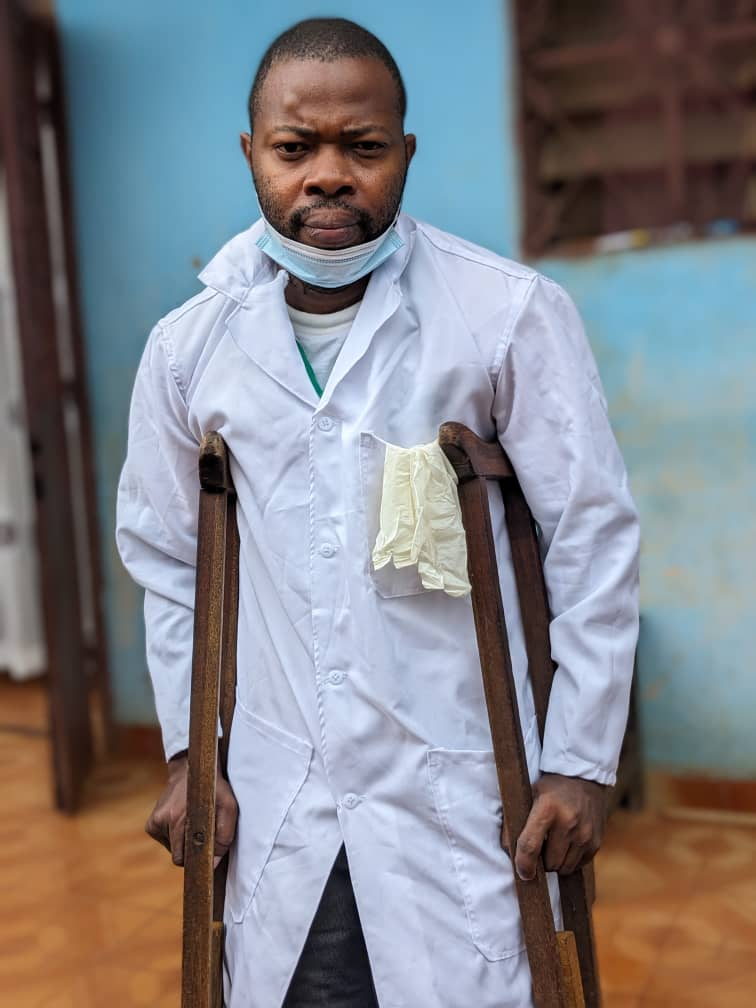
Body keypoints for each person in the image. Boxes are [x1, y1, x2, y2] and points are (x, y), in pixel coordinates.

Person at [116, 17, 639, 1008]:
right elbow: (169, 561)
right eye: (294, 148)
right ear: (251, 152)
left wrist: (579, 765)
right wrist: (189, 758)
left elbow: (591, 538)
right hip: (283, 797)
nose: (328, 176)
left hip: (464, 794)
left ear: (405, 151)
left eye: (362, 147)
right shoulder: (189, 351)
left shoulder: (504, 315)